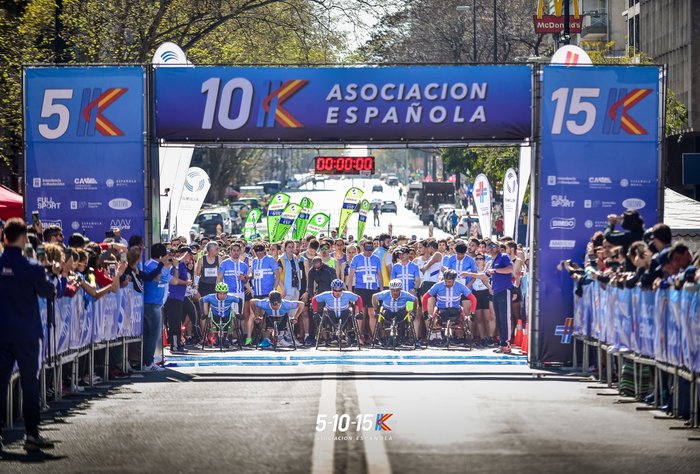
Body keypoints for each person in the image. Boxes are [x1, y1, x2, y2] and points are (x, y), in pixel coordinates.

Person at [0, 218, 57, 451]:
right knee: (29, 384)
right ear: (24, 239)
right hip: (26, 333)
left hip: (2, 333)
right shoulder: (32, 267)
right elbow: (49, 292)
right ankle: (32, 434)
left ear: (4, 237)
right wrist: (48, 273)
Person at [422, 269, 476, 346]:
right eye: (446, 281)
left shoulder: (460, 286)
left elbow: (473, 299)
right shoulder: (438, 286)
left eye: (449, 282)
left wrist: (472, 313)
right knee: (443, 314)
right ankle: (436, 337)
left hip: (455, 310)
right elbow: (425, 297)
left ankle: (466, 339)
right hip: (441, 309)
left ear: (454, 280)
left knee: (463, 317)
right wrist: (425, 311)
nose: (447, 283)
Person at [142, 243, 174, 371]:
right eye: (166, 254)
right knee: (153, 334)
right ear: (161, 256)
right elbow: (162, 278)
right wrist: (166, 267)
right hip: (151, 303)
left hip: (155, 302)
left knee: (151, 334)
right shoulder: (151, 265)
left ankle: (147, 361)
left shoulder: (154, 265)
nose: (168, 257)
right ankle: (148, 363)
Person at [349, 240, 383, 344]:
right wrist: (350, 291)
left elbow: (379, 275)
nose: (369, 251)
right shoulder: (356, 258)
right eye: (367, 249)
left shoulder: (376, 259)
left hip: (373, 289)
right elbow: (351, 276)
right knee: (360, 313)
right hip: (360, 289)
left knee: (372, 314)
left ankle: (374, 337)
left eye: (371, 249)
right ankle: (358, 336)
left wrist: (381, 291)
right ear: (363, 248)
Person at [311, 279, 363, 344]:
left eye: (340, 290)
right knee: (329, 313)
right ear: (332, 289)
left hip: (344, 313)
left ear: (342, 289)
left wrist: (360, 311)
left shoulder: (347, 294)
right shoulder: (326, 294)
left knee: (346, 312)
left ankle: (343, 334)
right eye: (335, 290)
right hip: (331, 313)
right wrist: (315, 312)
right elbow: (314, 299)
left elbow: (359, 298)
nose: (337, 292)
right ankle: (333, 336)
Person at [372, 279, 418, 348]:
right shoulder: (385, 294)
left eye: (397, 290)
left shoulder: (405, 294)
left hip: (400, 311)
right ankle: (384, 337)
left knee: (403, 316)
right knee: (384, 316)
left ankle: (401, 337)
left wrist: (414, 311)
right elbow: (374, 296)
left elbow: (415, 299)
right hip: (388, 310)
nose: (395, 292)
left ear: (400, 289)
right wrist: (376, 309)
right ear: (390, 289)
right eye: (393, 290)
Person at [486, 241, 514, 353]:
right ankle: (502, 343)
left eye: (493, 246)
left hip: (504, 290)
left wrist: (495, 270)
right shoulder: (492, 260)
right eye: (489, 246)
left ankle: (506, 343)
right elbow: (486, 275)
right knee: (499, 319)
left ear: (498, 247)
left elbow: (510, 269)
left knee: (505, 318)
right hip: (496, 292)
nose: (491, 248)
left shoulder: (503, 256)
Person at [200, 282, 241, 348]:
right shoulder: (211, 297)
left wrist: (238, 312)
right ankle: (216, 338)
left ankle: (224, 339)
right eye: (220, 293)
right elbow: (201, 300)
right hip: (215, 314)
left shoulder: (231, 297)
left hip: (226, 315)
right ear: (216, 292)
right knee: (215, 323)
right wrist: (204, 313)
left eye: (224, 293)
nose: (222, 295)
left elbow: (240, 300)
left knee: (227, 323)